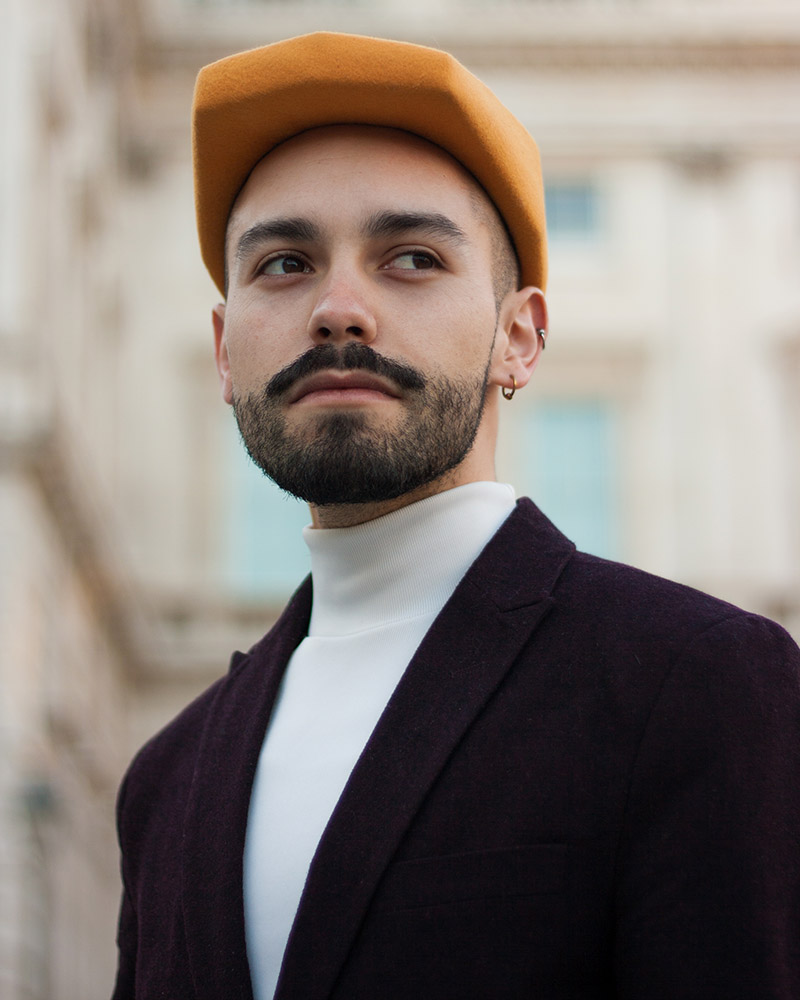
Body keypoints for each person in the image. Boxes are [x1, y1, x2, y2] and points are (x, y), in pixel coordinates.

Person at [111, 32, 800, 1000]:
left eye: (409, 257)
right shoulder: (165, 775)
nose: (338, 309)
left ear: (517, 338)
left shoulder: (697, 682)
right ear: (225, 353)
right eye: (283, 264)